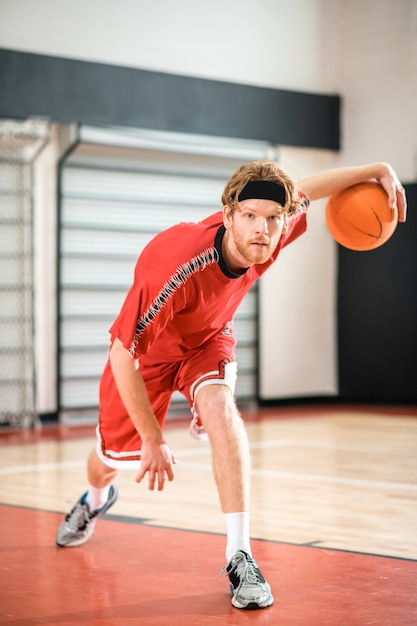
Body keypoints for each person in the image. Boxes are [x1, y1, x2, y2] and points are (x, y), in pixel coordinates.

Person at [56, 159, 407, 610]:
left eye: (273, 218)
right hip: (149, 357)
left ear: (284, 220)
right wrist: (152, 437)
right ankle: (95, 499)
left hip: (208, 339)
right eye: (249, 216)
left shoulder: (272, 230)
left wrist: (378, 168)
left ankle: (240, 555)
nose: (262, 228)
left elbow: (308, 189)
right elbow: (122, 353)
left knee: (222, 411)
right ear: (227, 215)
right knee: (107, 461)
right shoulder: (175, 267)